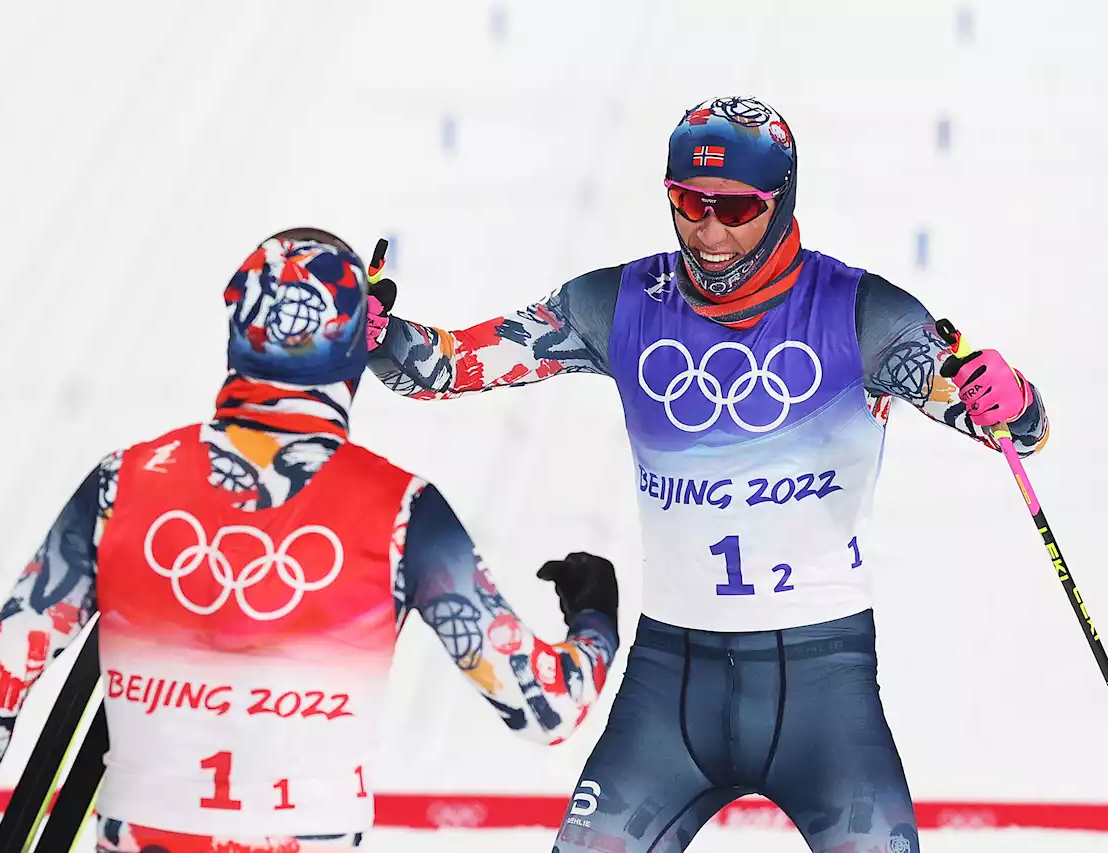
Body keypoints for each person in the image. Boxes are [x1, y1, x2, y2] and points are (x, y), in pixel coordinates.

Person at [364, 96, 1050, 853]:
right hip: (669, 685)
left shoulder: (862, 311)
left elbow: (1017, 429)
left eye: (734, 208)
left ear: (781, 200)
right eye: (688, 202)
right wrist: (368, 329)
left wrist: (1010, 395)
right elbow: (443, 368)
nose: (710, 232)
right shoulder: (617, 301)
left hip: (825, 693)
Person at [0, 228, 620, 853]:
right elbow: (548, 708)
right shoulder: (405, 511)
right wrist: (595, 616)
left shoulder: (120, 483)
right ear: (357, 345)